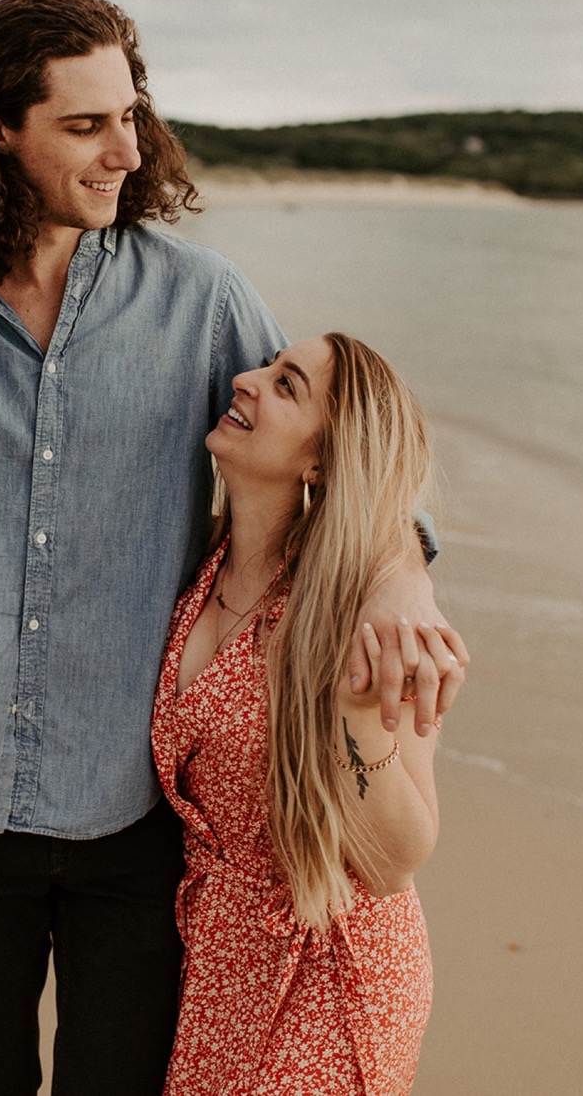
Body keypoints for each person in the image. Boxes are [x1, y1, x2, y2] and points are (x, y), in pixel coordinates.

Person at [0, 0, 466, 1096]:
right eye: (85, 123)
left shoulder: (200, 298)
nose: (125, 148)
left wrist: (396, 582)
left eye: (131, 113)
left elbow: (349, 457)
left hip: (141, 810)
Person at [152, 333, 451, 1095]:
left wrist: (354, 718)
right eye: (268, 367)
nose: (246, 380)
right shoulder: (201, 565)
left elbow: (396, 858)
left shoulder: (362, 614)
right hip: (219, 964)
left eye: (286, 386)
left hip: (332, 969)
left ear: (322, 462)